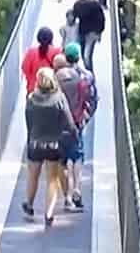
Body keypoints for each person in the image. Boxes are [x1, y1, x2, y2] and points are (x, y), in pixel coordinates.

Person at [23, 67, 77, 227]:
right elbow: (69, 122)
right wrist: (73, 136)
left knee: (33, 175)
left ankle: (29, 204)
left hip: (35, 143)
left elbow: (28, 121)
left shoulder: (31, 98)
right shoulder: (59, 98)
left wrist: (30, 137)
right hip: (53, 144)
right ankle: (49, 213)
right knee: (52, 179)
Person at [54, 47, 94, 210]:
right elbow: (90, 94)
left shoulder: (56, 78)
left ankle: (68, 196)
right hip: (77, 122)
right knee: (77, 157)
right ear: (77, 58)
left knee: (62, 162)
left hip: (59, 125)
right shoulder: (81, 77)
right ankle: (77, 187)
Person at [72, 0, 106, 71]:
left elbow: (101, 19)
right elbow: (74, 17)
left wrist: (99, 33)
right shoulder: (78, 5)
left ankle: (90, 74)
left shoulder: (94, 4)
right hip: (83, 32)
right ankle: (88, 73)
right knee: (84, 55)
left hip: (92, 33)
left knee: (87, 55)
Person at [22, 28, 61, 94]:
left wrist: (31, 79)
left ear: (38, 39)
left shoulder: (31, 52)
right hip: (51, 89)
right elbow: (59, 69)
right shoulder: (57, 51)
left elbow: (24, 68)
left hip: (33, 90)